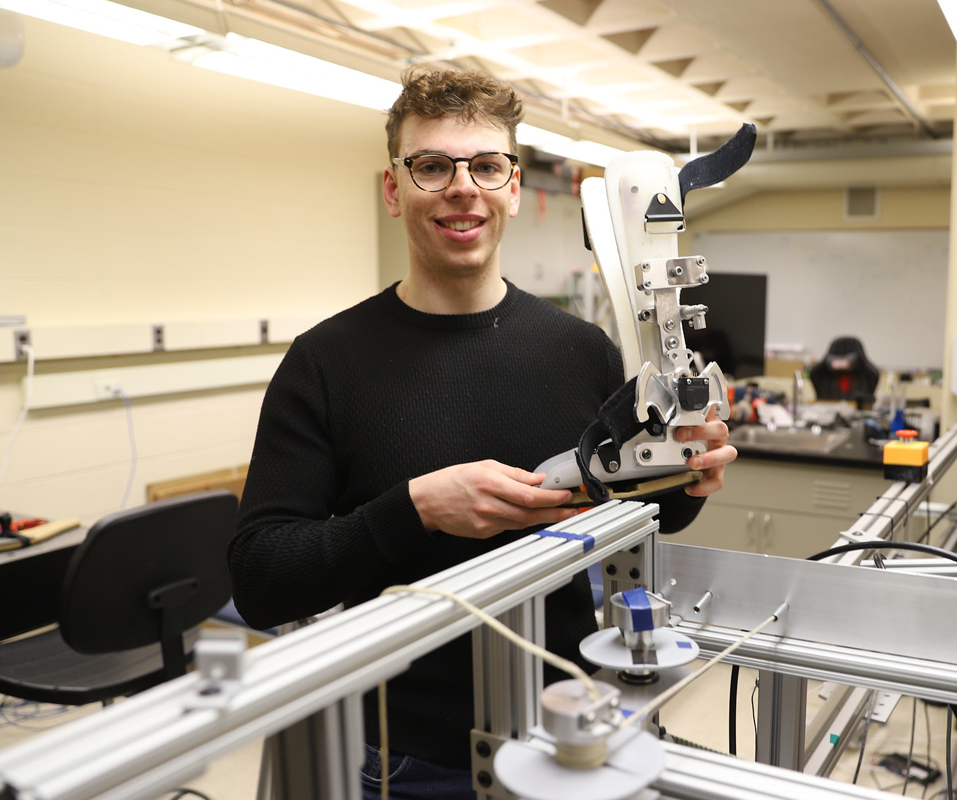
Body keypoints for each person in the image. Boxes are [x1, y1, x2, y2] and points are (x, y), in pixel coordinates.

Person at [229, 68, 737, 800]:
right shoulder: (325, 363)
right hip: (400, 756)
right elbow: (260, 579)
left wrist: (689, 473)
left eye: (485, 166)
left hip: (569, 727)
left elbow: (646, 503)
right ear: (393, 188)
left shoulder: (583, 350)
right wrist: (416, 510)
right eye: (432, 166)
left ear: (514, 187)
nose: (461, 187)